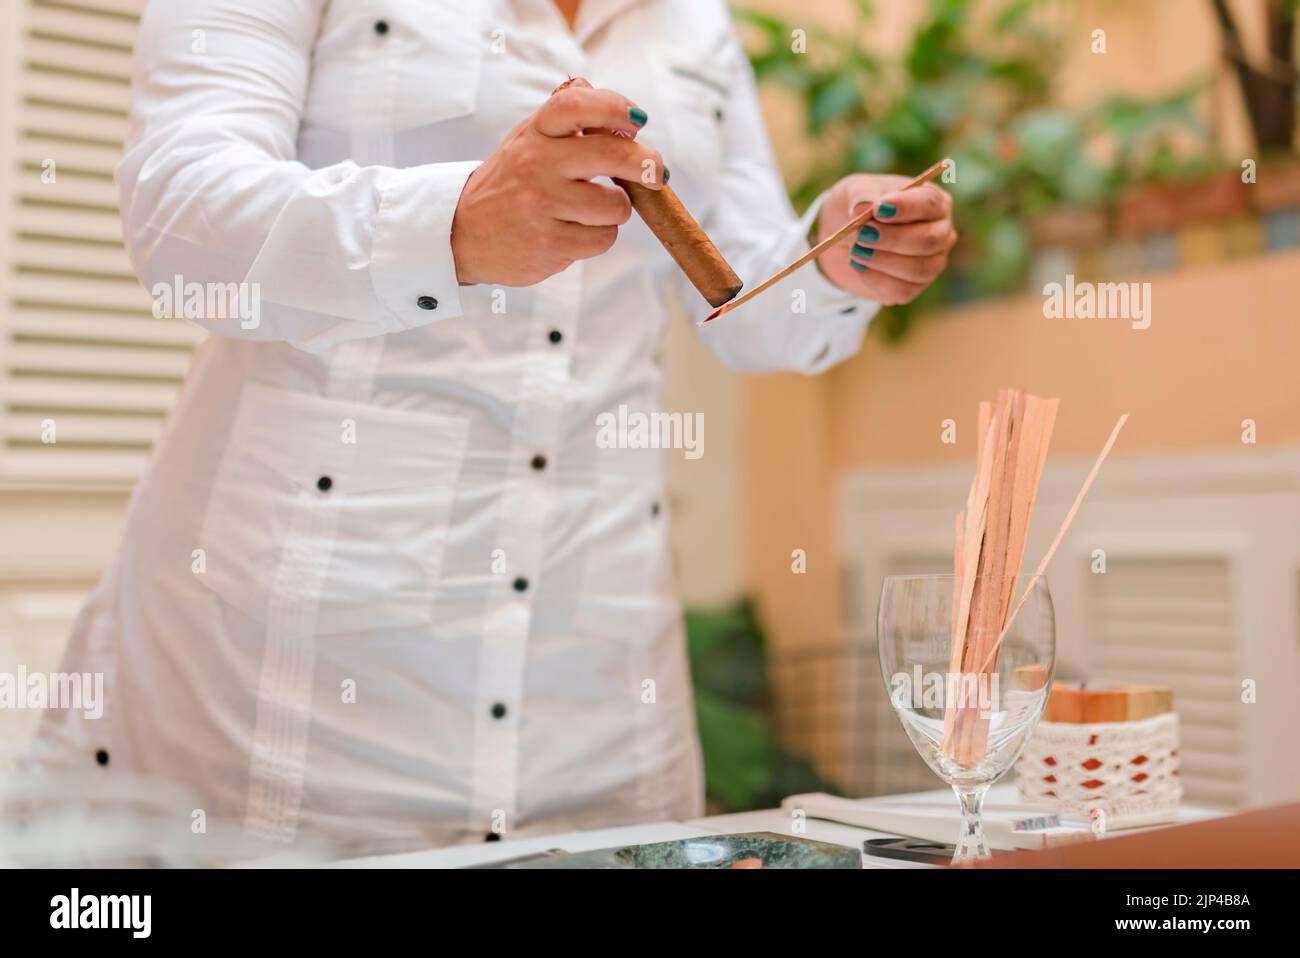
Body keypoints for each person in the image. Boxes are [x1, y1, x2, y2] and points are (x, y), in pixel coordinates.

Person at [31, 0, 956, 856]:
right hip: (292, 679)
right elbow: (180, 212)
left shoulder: (694, 20)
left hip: (595, 684)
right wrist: (456, 222)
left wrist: (834, 262)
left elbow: (744, 303)